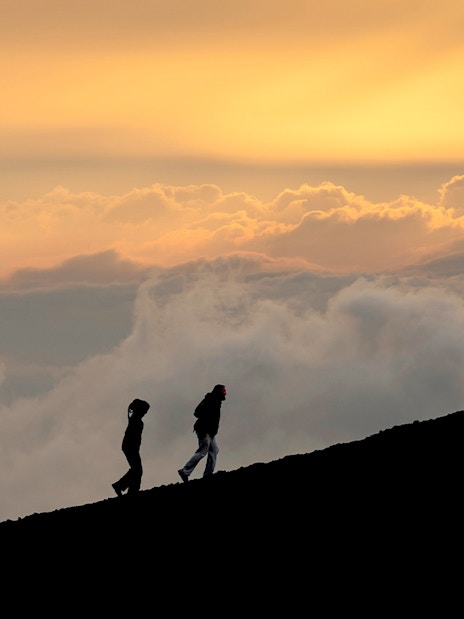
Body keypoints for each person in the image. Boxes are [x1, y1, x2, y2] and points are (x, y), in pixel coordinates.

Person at [178, 384, 227, 482]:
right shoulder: (211, 400)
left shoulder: (215, 401)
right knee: (202, 451)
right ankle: (185, 471)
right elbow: (198, 412)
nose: (225, 392)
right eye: (224, 390)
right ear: (219, 391)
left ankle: (208, 474)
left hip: (210, 431)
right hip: (205, 429)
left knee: (214, 450)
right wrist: (208, 423)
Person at [112, 398, 150, 497]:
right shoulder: (136, 420)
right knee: (137, 469)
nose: (145, 413)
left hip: (130, 447)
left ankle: (129, 489)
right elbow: (133, 436)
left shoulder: (136, 420)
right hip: (130, 447)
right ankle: (124, 487)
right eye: (145, 411)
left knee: (136, 469)